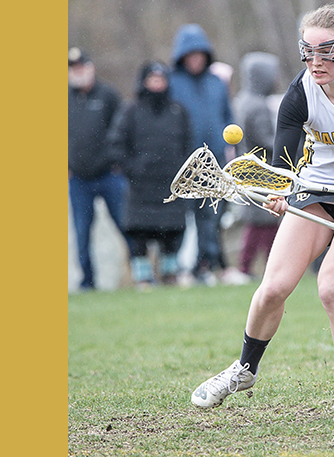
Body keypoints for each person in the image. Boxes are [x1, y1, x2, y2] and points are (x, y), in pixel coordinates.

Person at [190, 5, 334, 420]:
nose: (315, 62)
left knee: (330, 287)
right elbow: (284, 164)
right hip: (315, 188)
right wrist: (280, 192)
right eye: (306, 52)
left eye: (325, 52)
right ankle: (243, 370)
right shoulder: (300, 91)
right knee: (273, 287)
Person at [169, 24, 249, 286]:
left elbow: (228, 117)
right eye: (190, 55)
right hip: (186, 163)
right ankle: (198, 267)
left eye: (199, 55)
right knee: (193, 217)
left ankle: (210, 265)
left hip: (216, 162)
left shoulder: (216, 82)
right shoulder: (172, 83)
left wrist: (235, 154)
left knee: (214, 216)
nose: (195, 60)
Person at [108, 61, 193, 288]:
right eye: (152, 80)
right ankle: (143, 277)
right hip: (140, 187)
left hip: (170, 185)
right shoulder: (130, 111)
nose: (157, 84)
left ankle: (170, 274)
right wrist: (133, 170)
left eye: (161, 79)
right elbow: (116, 145)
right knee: (139, 234)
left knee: (172, 233)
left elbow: (188, 145)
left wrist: (181, 172)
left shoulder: (178, 111)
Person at [68, 47, 129, 290]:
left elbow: (122, 130)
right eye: (73, 69)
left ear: (91, 68)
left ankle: (141, 273)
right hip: (78, 178)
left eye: (81, 67)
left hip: (109, 174)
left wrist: (117, 162)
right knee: (82, 233)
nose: (77, 72)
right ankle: (87, 282)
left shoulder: (108, 95)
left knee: (126, 225)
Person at [231, 52, 283, 278]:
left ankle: (260, 267)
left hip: (247, 170)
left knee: (260, 222)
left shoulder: (241, 101)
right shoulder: (258, 106)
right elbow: (265, 140)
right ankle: (250, 268)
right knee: (265, 221)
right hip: (262, 172)